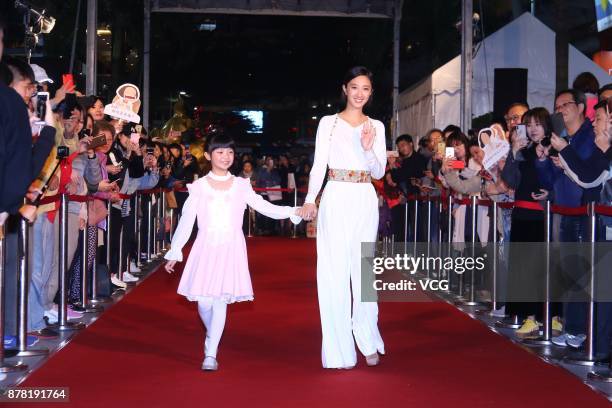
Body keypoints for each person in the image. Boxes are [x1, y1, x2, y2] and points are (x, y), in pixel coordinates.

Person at [164, 134, 301, 371]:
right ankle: (211, 334)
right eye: (219, 152)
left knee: (220, 300)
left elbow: (263, 206)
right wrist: (175, 250)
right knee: (204, 302)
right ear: (208, 156)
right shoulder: (198, 187)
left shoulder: (241, 185)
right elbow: (186, 221)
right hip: (205, 246)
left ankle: (211, 353)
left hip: (231, 247)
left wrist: (292, 211)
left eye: (229, 152)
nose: (226, 157)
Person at [299, 66, 386, 369]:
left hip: (364, 197)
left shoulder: (376, 126)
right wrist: (311, 199)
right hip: (335, 196)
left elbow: (379, 172)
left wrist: (368, 149)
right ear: (345, 89)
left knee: (363, 272)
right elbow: (318, 164)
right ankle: (339, 350)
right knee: (333, 273)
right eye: (354, 87)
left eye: (365, 88)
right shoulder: (328, 123)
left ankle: (367, 337)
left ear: (370, 93)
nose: (360, 93)